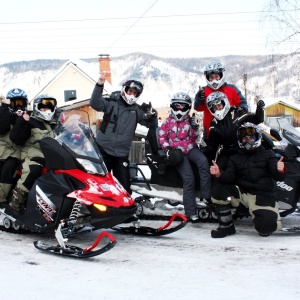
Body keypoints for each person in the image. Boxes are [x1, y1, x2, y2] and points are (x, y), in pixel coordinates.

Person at [210, 122, 286, 238]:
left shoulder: (268, 154)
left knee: (266, 229)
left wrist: (280, 170)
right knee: (218, 190)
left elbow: (278, 176)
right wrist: (219, 173)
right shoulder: (235, 158)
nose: (248, 140)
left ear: (257, 138)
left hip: (262, 196)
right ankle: (227, 227)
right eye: (244, 138)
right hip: (243, 196)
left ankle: (261, 216)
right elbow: (229, 177)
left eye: (251, 137)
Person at [89, 74, 158, 194]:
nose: (132, 95)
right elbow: (94, 103)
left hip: (121, 154)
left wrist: (152, 114)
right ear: (124, 89)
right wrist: (99, 85)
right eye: (130, 91)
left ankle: (122, 211)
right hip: (103, 150)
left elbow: (152, 124)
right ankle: (99, 210)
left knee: (124, 188)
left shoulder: (137, 110)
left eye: (135, 93)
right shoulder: (112, 103)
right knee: (98, 185)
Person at [158, 92, 212, 222]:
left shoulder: (189, 120)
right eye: (176, 106)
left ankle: (206, 196)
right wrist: (168, 149)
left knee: (204, 162)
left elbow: (195, 138)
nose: (179, 110)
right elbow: (162, 137)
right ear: (172, 106)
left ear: (188, 108)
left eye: (183, 107)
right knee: (189, 178)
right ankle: (191, 211)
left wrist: (194, 128)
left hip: (190, 148)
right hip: (178, 153)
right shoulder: (167, 121)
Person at [6, 94, 58, 214]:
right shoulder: (31, 120)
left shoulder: (55, 124)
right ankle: (15, 203)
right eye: (43, 108)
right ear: (37, 108)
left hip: (53, 158)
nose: (46, 111)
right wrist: (23, 122)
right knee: (33, 170)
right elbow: (16, 138)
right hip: (33, 156)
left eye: (49, 108)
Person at [194, 61, 248, 140]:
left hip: (231, 129)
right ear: (207, 78)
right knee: (209, 151)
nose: (214, 80)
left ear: (221, 75)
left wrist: (243, 108)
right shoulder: (203, 91)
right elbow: (197, 108)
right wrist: (198, 99)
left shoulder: (231, 89)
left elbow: (242, 102)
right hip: (210, 131)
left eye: (216, 76)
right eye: (211, 77)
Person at [0, 88, 28, 207]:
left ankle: (1, 197)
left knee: (9, 167)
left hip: (16, 153)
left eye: (21, 103)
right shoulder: (4, 114)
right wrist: (5, 108)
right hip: (2, 151)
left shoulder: (27, 117)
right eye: (14, 103)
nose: (18, 106)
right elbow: (2, 128)